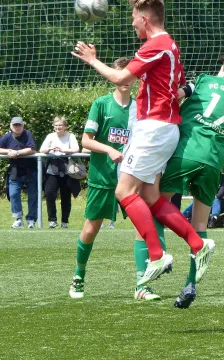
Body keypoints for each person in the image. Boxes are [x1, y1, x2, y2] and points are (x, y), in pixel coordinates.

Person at [71, 0, 212, 288]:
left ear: (145, 19)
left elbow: (122, 79)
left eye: (134, 19)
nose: (132, 24)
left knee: (124, 192)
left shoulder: (156, 44)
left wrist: (93, 60)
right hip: (163, 129)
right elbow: (178, 90)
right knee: (150, 197)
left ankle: (157, 254)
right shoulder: (170, 46)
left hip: (154, 129)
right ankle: (198, 245)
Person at [155, 53, 224, 308]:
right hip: (213, 160)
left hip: (188, 150)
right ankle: (190, 284)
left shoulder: (204, 80)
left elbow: (176, 95)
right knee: (200, 220)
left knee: (157, 205)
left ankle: (158, 257)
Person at [69, 57, 139, 299]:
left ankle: (142, 283)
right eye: (120, 74)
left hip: (131, 178)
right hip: (102, 176)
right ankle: (79, 276)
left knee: (143, 227)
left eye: (129, 74)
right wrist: (109, 149)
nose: (125, 79)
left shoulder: (139, 107)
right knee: (92, 227)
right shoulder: (101, 104)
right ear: (112, 75)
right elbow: (86, 140)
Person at [40, 116, 80, 228]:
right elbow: (42, 150)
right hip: (52, 169)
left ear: (65, 126)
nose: (58, 127)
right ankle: (52, 220)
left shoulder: (70, 136)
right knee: (49, 194)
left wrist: (63, 150)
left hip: (67, 168)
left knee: (66, 196)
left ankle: (64, 222)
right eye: (56, 125)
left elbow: (76, 149)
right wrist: (49, 149)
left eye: (60, 125)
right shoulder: (50, 136)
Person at [0, 117, 38, 229]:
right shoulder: (7, 136)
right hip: (15, 171)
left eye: (19, 125)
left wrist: (16, 153)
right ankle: (18, 219)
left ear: (23, 126)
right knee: (13, 194)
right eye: (15, 125)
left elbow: (32, 149)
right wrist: (8, 151)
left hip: (31, 170)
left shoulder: (27, 134)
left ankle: (31, 220)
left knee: (33, 196)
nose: (17, 127)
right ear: (11, 126)